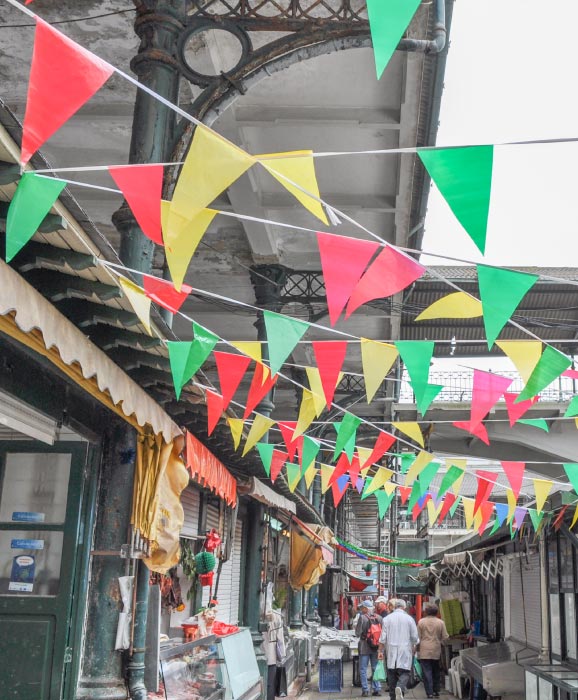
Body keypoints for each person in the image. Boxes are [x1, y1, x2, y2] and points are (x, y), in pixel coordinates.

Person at [378, 599, 419, 700]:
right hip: (405, 650)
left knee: (391, 674)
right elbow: (414, 637)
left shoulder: (387, 619)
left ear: (395, 606)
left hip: (391, 651)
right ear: (404, 607)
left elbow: (382, 638)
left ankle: (393, 696)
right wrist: (415, 645)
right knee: (405, 672)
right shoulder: (409, 619)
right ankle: (400, 687)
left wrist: (380, 651)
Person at [417, 604, 449, 698]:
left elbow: (417, 638)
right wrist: (441, 642)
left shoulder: (421, 622)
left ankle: (429, 692)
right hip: (436, 649)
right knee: (436, 670)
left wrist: (415, 649)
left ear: (426, 612)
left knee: (427, 671)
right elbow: (445, 637)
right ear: (437, 612)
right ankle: (436, 690)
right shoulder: (440, 622)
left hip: (424, 649)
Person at [355, 599, 383, 697]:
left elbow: (357, 633)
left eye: (362, 608)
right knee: (375, 668)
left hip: (364, 646)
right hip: (376, 646)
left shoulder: (362, 618)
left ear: (366, 608)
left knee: (363, 669)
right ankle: (377, 689)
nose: (361, 610)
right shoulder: (379, 617)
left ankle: (365, 690)